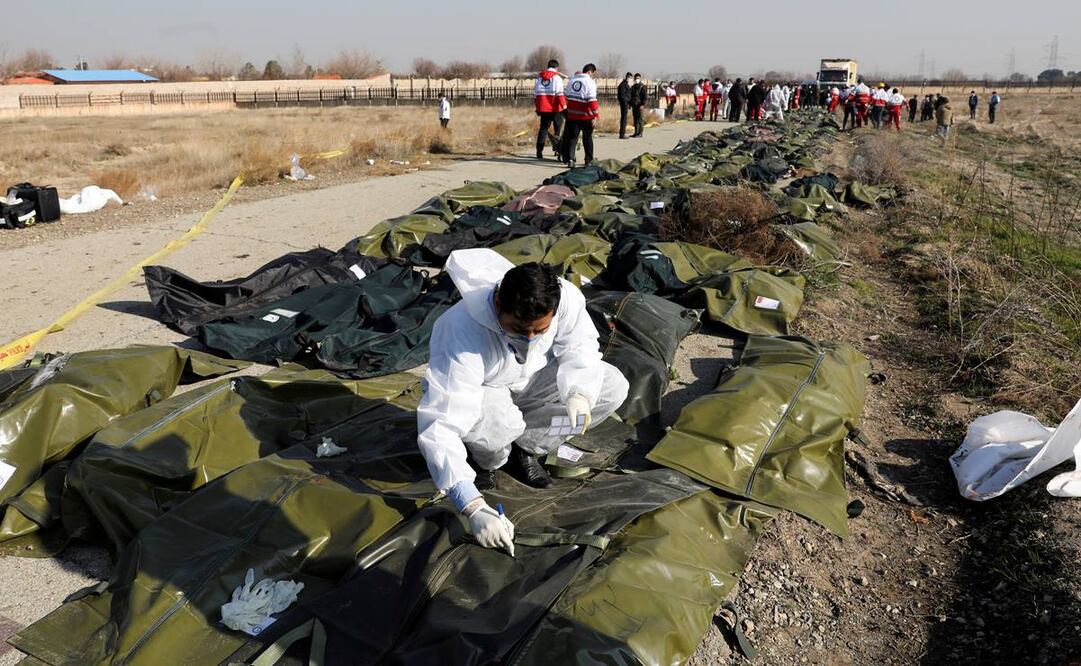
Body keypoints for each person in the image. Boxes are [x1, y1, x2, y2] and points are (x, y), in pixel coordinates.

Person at [417, 249, 630, 554]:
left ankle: (528, 447)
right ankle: (492, 460)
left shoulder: (564, 299)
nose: (529, 337)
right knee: (497, 432)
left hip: (531, 376)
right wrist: (471, 504)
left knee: (611, 386)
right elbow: (442, 422)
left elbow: (580, 346)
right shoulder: (461, 331)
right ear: (498, 304)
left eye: (539, 330)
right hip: (486, 388)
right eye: (518, 329)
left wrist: (580, 392)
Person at [562, 63, 599, 168]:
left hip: (572, 115)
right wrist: (595, 115)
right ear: (590, 72)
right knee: (587, 138)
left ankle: (570, 159)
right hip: (586, 116)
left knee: (572, 138)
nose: (592, 76)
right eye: (593, 74)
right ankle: (588, 160)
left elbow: (567, 97)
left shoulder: (572, 81)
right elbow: (592, 101)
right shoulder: (590, 82)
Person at [533, 59, 566, 160]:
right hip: (555, 108)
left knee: (543, 129)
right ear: (556, 67)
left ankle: (539, 151)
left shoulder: (539, 78)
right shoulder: (557, 78)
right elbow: (560, 94)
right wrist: (564, 107)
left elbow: (535, 95)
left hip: (543, 108)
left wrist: (538, 108)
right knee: (558, 129)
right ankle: (557, 150)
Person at [617, 72, 633, 138]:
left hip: (626, 103)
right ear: (627, 77)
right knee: (624, 118)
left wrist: (629, 103)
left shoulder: (626, 85)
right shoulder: (623, 85)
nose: (631, 79)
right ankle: (622, 134)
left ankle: (623, 133)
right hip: (624, 104)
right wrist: (626, 102)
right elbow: (622, 96)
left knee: (624, 118)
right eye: (630, 78)